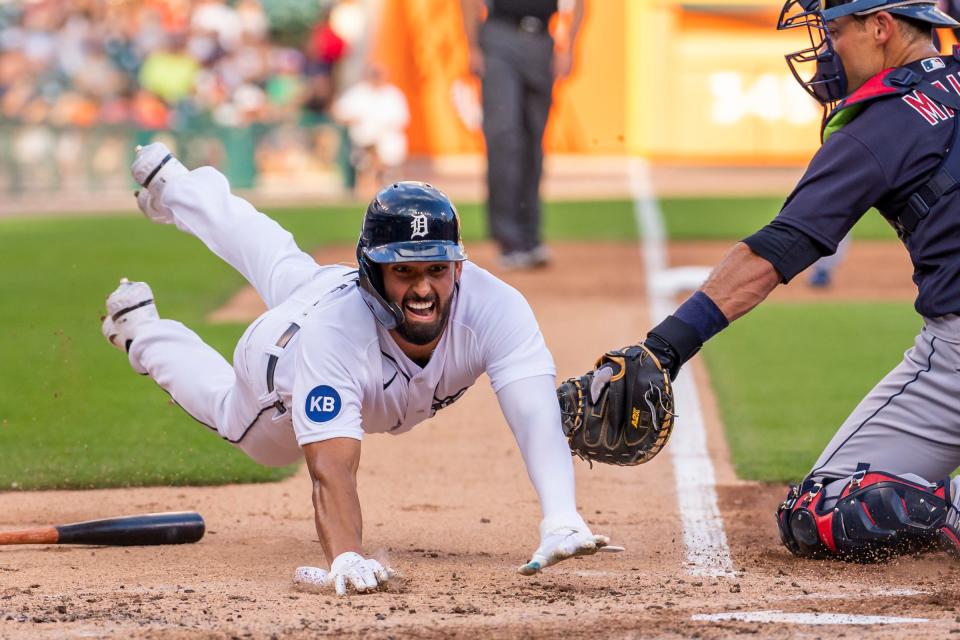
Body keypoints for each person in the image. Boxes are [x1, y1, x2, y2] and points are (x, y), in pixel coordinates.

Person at [103, 142, 614, 595]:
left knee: (280, 261)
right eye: (404, 270)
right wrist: (345, 553)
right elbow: (332, 469)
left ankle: (177, 185)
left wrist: (562, 517)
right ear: (372, 271)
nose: (422, 288)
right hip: (277, 362)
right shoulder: (332, 339)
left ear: (458, 266)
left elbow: (534, 414)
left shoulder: (495, 307)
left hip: (330, 293)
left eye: (437, 268)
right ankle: (142, 332)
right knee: (239, 425)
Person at [606, 0, 960, 561]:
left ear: (882, 27)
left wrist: (664, 349)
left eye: (835, 31)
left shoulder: (883, 123)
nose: (826, 50)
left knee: (825, 510)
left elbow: (776, 251)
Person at [459, 0, 584, 270]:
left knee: (533, 143)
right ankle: (508, 239)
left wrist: (570, 46)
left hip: (541, 41)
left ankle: (530, 236)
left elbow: (579, 3)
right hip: (499, 38)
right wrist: (471, 46)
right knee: (503, 136)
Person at [331, 64, 410, 194]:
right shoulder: (358, 92)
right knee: (365, 167)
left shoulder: (393, 94)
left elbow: (401, 119)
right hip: (363, 144)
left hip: (388, 143)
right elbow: (339, 112)